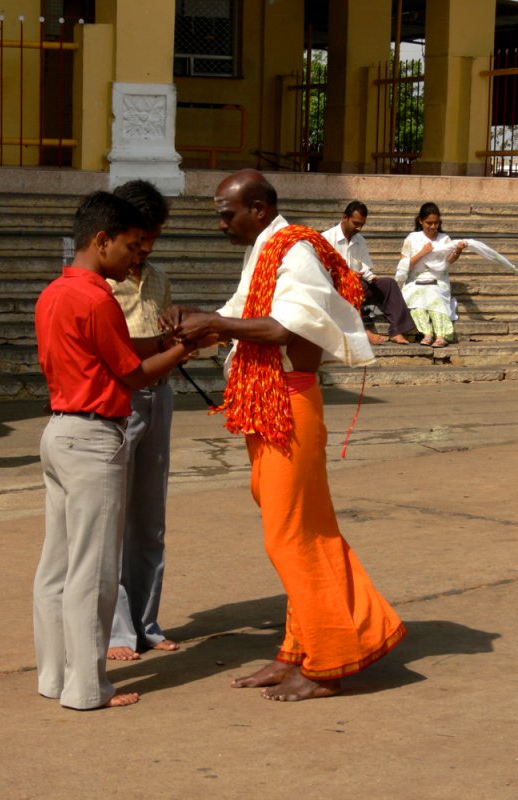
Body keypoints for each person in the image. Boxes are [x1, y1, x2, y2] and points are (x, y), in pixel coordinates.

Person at [164, 169, 406, 702]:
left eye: (227, 213)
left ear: (257, 207)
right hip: (269, 404)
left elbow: (287, 328)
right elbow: (242, 311)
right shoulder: (266, 248)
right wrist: (198, 325)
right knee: (302, 531)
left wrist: (215, 324)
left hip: (290, 403)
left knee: (290, 536)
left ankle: (327, 663)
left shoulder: (295, 250)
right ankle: (299, 651)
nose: (221, 223)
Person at [33, 191, 195, 710]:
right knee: (94, 570)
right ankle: (87, 688)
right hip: (94, 439)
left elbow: (120, 351)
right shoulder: (97, 297)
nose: (134, 257)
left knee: (57, 567)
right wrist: (183, 349)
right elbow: (132, 372)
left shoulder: (55, 293)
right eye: (129, 246)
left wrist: (171, 344)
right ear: (101, 241)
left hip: (59, 431)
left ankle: (55, 677)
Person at [106, 180, 178, 661]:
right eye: (139, 237)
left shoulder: (157, 278)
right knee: (109, 518)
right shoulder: (99, 283)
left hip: (159, 396)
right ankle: (114, 631)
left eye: (153, 236)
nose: (146, 247)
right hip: (118, 401)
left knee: (149, 520)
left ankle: (144, 622)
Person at [322, 201, 415, 345]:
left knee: (389, 284)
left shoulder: (360, 240)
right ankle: (363, 331)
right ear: (345, 218)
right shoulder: (327, 238)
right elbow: (322, 269)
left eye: (362, 224)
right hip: (336, 288)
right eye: (356, 223)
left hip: (358, 285)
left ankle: (397, 330)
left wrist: (371, 277)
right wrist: (347, 275)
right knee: (350, 285)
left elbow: (364, 267)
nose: (359, 228)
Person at [395, 202, 467, 348]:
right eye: (429, 223)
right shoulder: (412, 238)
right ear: (420, 221)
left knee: (434, 295)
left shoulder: (444, 238)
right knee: (416, 300)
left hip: (437, 279)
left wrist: (458, 250)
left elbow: (448, 261)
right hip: (416, 280)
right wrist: (423, 252)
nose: (433, 227)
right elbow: (404, 264)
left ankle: (441, 335)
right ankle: (427, 333)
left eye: (436, 223)